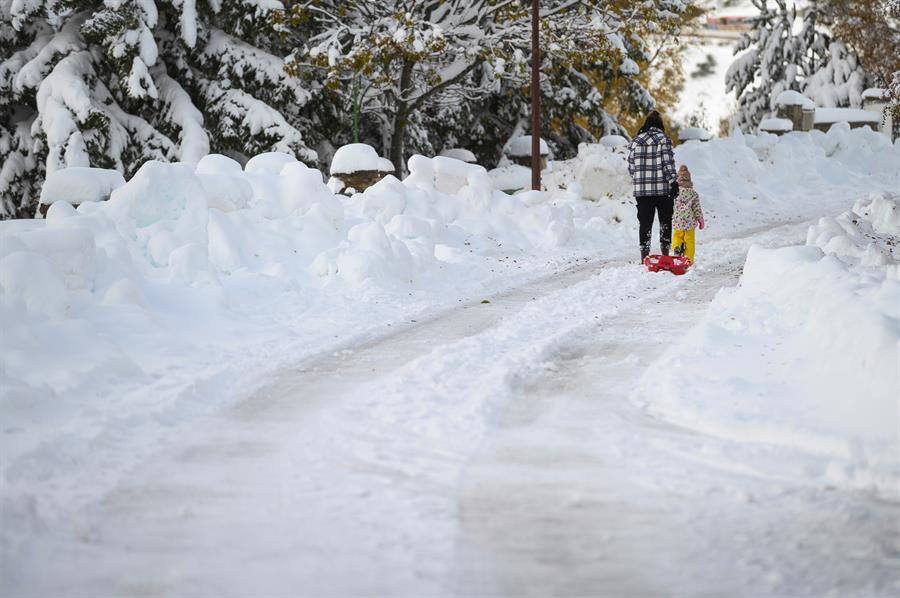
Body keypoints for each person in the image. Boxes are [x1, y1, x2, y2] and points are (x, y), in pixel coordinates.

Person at [626, 111, 678, 262]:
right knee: (665, 221)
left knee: (645, 223)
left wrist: (640, 180)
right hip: (662, 190)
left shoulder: (635, 141)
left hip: (642, 192)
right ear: (660, 125)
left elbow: (631, 168)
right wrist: (673, 182)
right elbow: (668, 163)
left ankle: (644, 256)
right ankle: (665, 254)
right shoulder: (663, 139)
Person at [671, 165, 705, 263]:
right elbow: (696, 208)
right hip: (689, 222)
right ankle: (688, 260)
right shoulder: (693, 194)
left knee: (677, 236)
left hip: (678, 221)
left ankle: (677, 247)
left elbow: (671, 206)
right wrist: (700, 219)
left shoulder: (675, 192)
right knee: (689, 241)